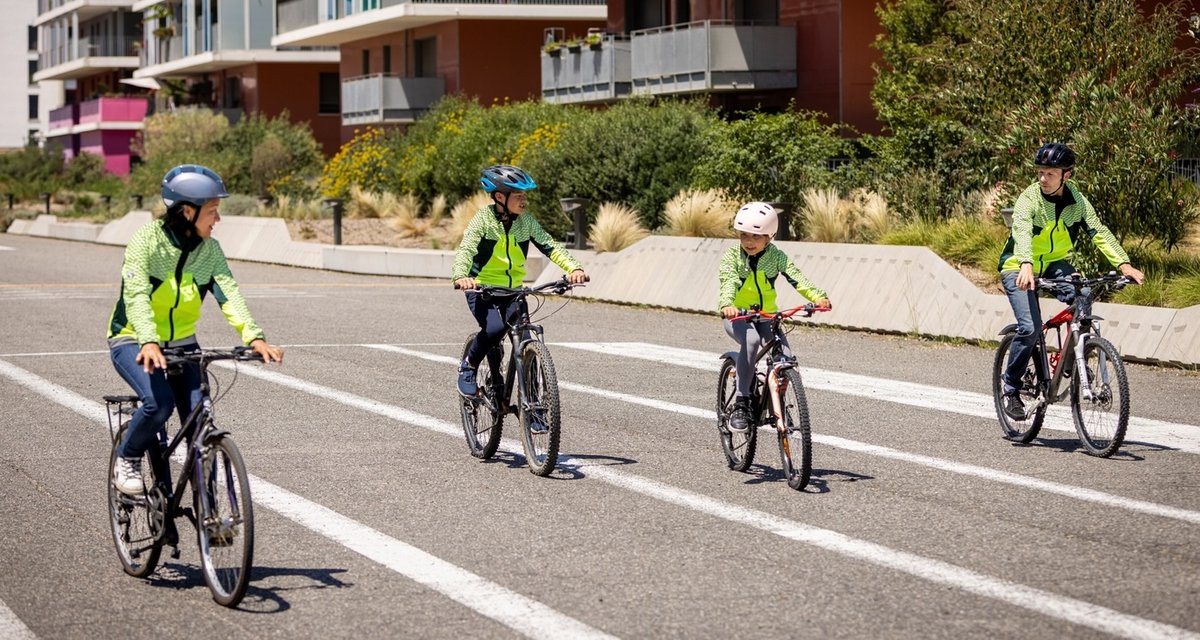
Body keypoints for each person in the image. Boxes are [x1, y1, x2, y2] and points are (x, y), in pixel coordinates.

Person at [107, 164, 284, 496]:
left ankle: (210, 510)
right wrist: (147, 339)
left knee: (199, 420)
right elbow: (136, 295)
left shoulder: (210, 251)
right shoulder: (147, 240)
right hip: (132, 338)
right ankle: (127, 456)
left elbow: (229, 293)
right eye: (213, 211)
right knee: (159, 405)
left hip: (183, 342)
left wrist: (255, 337)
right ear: (187, 212)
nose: (217, 219)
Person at [997, 142, 1144, 419]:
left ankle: (1074, 355)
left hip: (1053, 264)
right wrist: (1026, 264)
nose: (1043, 178)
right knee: (1029, 329)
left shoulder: (1076, 201)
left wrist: (1124, 264)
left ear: (1067, 175)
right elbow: (1022, 231)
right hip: (1018, 265)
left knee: (1084, 293)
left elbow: (1098, 231)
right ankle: (1011, 387)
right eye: (1040, 172)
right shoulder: (1030, 199)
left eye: (1050, 173)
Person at [451, 164, 588, 397]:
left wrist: (573, 268)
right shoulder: (483, 220)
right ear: (499, 197)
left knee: (526, 339)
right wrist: (462, 276)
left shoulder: (526, 222)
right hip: (482, 288)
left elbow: (549, 245)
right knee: (494, 329)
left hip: (513, 290)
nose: (524, 201)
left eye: (524, 196)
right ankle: (468, 366)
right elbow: (466, 250)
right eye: (518, 196)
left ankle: (534, 407)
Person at [718, 202, 830, 432]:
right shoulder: (732, 257)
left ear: (769, 236)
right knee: (750, 342)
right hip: (738, 317)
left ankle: (776, 401)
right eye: (744, 236)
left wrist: (818, 297)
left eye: (756, 236)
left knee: (785, 358)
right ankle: (741, 403)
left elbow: (798, 278)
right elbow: (728, 281)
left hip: (767, 316)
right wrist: (728, 304)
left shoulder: (776, 256)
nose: (749, 241)